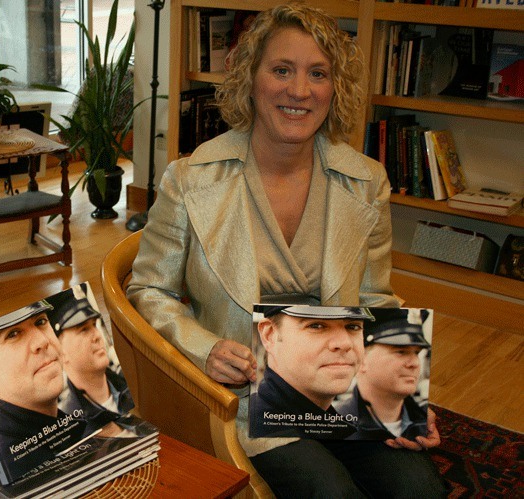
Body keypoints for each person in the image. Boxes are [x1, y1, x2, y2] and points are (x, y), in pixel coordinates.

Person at [127, 3, 446, 497]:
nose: (300, 91)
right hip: (247, 398)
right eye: (282, 70)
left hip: (345, 390)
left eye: (318, 74)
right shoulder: (190, 180)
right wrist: (204, 348)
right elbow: (149, 288)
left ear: (334, 89)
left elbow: (375, 299)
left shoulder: (366, 182)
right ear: (250, 79)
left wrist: (400, 393)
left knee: (418, 489)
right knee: (330, 493)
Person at [0, 302, 94, 478]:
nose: (42, 341)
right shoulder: (10, 468)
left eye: (40, 322)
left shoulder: (78, 424)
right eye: (13, 334)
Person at [250, 306, 374, 439]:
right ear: (270, 335)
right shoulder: (254, 431)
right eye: (316, 326)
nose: (345, 343)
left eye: (353, 327)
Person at [46, 284, 135, 433]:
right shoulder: (70, 427)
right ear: (60, 351)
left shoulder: (132, 384)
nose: (97, 336)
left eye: (94, 325)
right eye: (84, 329)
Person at [335, 308, 431, 440]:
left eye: (416, 353)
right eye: (401, 352)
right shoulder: (335, 425)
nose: (414, 363)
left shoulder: (427, 422)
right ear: (361, 360)